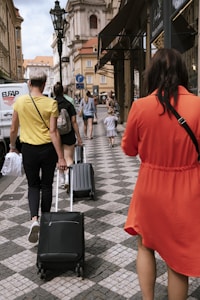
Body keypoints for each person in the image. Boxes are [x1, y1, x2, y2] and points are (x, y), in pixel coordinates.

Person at [121, 48, 200, 300]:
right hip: (188, 187)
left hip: (151, 186)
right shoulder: (198, 106)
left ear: (152, 74)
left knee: (145, 244)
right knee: (178, 257)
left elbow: (129, 149)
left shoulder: (140, 106)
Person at [9, 70, 67, 243]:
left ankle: (34, 219)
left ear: (29, 83)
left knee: (33, 186)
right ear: (44, 84)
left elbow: (13, 129)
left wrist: (13, 147)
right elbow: (53, 131)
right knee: (47, 185)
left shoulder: (19, 102)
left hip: (28, 150)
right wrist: (61, 157)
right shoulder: (51, 103)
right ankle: (46, 220)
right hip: (47, 149)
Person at [54, 82, 83, 188]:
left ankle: (61, 178)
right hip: (68, 134)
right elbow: (74, 122)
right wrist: (79, 138)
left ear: (54, 92)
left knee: (59, 157)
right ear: (63, 92)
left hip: (55, 134)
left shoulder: (51, 104)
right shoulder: (69, 104)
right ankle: (68, 178)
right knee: (69, 158)